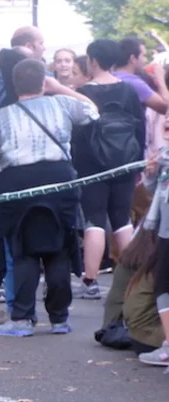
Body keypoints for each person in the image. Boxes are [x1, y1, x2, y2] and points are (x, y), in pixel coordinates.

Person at [0, 59, 98, 337]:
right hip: (60, 183)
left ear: (14, 84)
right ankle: (59, 319)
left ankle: (22, 318)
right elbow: (92, 111)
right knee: (59, 250)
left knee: (24, 252)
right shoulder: (62, 104)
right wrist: (60, 88)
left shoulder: (4, 116)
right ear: (44, 82)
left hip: (18, 186)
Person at [75, 39, 146, 300]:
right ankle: (133, 278)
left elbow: (77, 132)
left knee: (94, 220)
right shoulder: (128, 90)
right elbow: (139, 127)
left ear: (92, 60)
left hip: (92, 165)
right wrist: (137, 161)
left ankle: (90, 281)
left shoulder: (83, 92)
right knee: (122, 219)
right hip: (125, 163)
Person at [137, 137, 169, 366]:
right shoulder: (164, 154)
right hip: (164, 231)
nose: (166, 120)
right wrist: (150, 173)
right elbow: (155, 190)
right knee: (163, 286)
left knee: (163, 286)